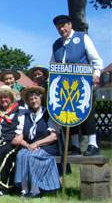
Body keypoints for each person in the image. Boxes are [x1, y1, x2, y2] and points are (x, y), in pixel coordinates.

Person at [51, 15, 104, 156]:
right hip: (64, 84)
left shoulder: (82, 38)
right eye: (59, 27)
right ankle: (74, 146)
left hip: (83, 82)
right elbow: (53, 65)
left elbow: (96, 59)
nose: (62, 29)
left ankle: (93, 144)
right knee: (68, 113)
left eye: (64, 25)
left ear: (70, 24)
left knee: (87, 111)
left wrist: (97, 74)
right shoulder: (56, 44)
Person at [13, 86, 60, 198]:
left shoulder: (49, 113)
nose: (33, 101)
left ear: (40, 98)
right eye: (31, 99)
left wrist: (37, 144)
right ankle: (24, 189)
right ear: (28, 102)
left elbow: (53, 137)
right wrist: (28, 145)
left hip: (48, 147)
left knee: (33, 156)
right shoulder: (25, 115)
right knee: (21, 154)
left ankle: (36, 190)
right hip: (31, 146)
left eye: (35, 98)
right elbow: (19, 137)